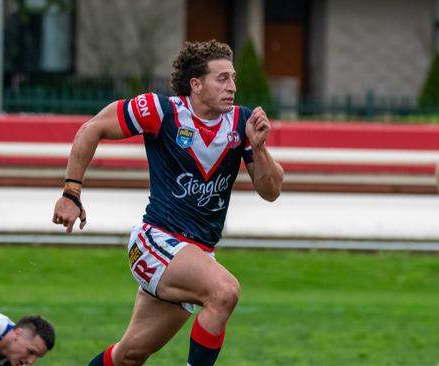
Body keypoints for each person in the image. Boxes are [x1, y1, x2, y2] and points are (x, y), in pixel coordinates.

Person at [52, 40, 283, 365]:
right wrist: (71, 193)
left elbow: (270, 191)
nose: (232, 87)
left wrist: (259, 149)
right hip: (156, 241)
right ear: (196, 84)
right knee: (224, 291)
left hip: (196, 254)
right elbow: (93, 128)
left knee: (129, 355)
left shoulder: (241, 125)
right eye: (222, 79)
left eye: (233, 78)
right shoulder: (161, 111)